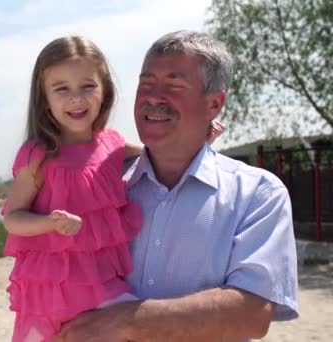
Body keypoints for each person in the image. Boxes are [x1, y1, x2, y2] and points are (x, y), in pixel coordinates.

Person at [57, 30, 299, 342]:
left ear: (214, 103)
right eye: (146, 84)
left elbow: (252, 313)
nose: (153, 97)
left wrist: (129, 321)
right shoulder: (103, 189)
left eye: (174, 85)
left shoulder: (258, 195)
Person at [2, 36, 223, 342]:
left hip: (102, 285)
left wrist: (197, 137)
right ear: (44, 97)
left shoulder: (112, 144)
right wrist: (48, 223)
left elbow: (159, 152)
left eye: (87, 86)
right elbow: (12, 217)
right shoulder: (39, 155)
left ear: (104, 89)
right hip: (49, 292)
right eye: (61, 88)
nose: (76, 98)